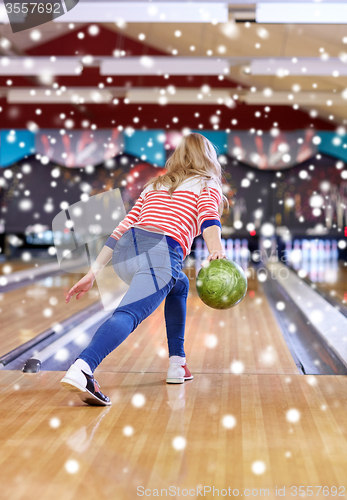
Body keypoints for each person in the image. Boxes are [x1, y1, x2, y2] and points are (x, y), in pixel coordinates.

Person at [61, 132, 229, 406]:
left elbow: (122, 228)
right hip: (161, 253)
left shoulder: (155, 185)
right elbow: (209, 218)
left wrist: (94, 271)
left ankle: (177, 363)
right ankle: (83, 367)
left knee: (180, 285)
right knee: (128, 313)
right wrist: (215, 249)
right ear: (209, 157)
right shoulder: (207, 183)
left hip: (127, 254)